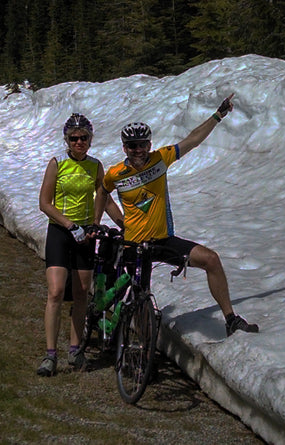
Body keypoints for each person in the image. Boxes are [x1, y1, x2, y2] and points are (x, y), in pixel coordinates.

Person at [103, 94, 258, 338]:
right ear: (125, 148)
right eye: (132, 146)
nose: (138, 150)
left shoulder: (160, 159)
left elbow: (192, 140)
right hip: (134, 245)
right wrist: (119, 221)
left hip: (162, 240)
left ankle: (230, 320)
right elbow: (103, 195)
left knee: (211, 260)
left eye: (142, 144)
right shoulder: (115, 174)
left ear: (149, 144)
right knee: (140, 298)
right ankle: (142, 348)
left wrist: (218, 115)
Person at [36, 113, 121, 376]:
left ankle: (75, 350)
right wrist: (69, 225)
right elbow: (44, 203)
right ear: (67, 140)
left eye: (84, 137)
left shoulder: (95, 166)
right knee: (56, 291)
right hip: (61, 232)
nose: (79, 142)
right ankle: (50, 355)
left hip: (85, 235)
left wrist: (125, 224)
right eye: (74, 138)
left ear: (90, 139)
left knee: (82, 291)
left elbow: (104, 199)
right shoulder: (57, 163)